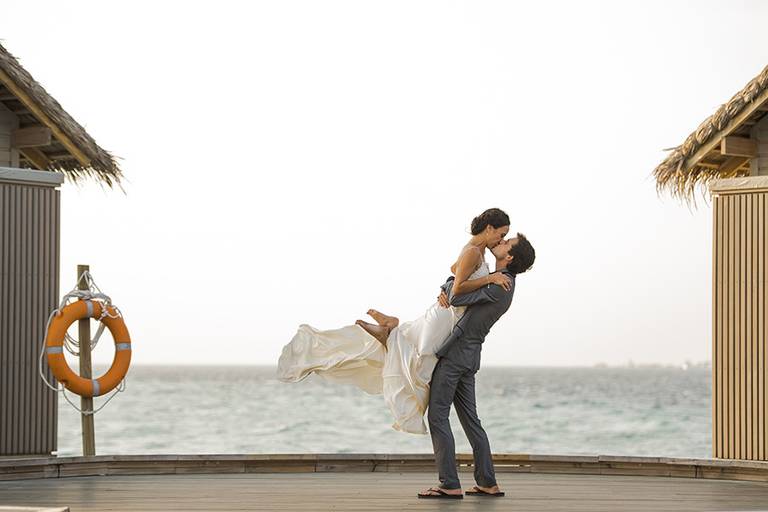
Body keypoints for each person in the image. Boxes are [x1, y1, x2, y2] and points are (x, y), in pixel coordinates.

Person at [277, 209, 513, 434]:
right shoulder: (473, 251)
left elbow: (454, 272)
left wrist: (448, 286)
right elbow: (458, 291)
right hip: (446, 315)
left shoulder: (475, 251)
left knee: (418, 354)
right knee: (421, 354)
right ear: (489, 228)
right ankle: (391, 334)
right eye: (501, 234)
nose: (501, 240)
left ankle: (391, 331)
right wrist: (488, 278)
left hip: (446, 314)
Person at [417, 232, 535, 499]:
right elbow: (460, 285)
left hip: (457, 357)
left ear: (510, 256)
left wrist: (447, 288)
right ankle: (487, 483)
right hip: (469, 357)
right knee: (471, 421)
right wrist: (447, 285)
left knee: (437, 416)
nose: (500, 242)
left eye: (507, 242)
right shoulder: (502, 284)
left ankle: (449, 484)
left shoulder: (499, 285)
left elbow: (457, 296)